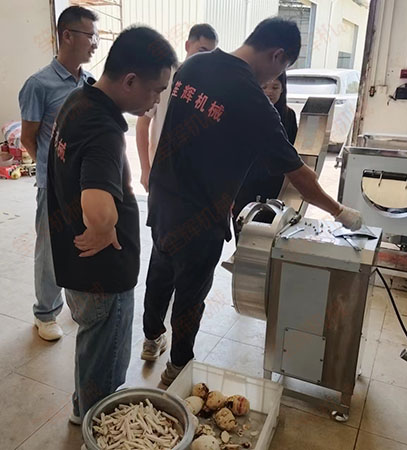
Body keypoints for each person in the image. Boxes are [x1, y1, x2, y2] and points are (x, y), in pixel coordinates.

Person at [142, 17, 363, 385]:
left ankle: (151, 338)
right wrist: (340, 211)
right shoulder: (252, 98)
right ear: (278, 55)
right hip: (201, 215)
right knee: (191, 294)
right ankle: (178, 367)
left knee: (160, 270)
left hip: (163, 199)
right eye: (283, 66)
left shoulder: (194, 66)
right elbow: (299, 175)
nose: (275, 78)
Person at [47, 26, 177, 423]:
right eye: (156, 90)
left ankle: (80, 409)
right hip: (102, 275)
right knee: (106, 365)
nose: (156, 101)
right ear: (130, 80)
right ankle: (94, 424)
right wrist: (105, 227)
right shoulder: (104, 129)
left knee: (92, 347)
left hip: (75, 265)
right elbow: (98, 209)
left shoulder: (77, 99)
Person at [19, 6, 98, 341]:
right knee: (51, 250)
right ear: (67, 35)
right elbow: (28, 137)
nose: (95, 43)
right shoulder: (39, 85)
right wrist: (51, 171)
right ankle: (45, 313)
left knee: (82, 244)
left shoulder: (90, 82)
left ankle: (75, 303)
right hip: (53, 185)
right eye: (90, 36)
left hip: (86, 184)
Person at [136, 24, 218, 193]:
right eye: (201, 51)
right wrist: (145, 169)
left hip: (194, 176)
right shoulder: (164, 76)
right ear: (187, 45)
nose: (205, 59)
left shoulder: (210, 86)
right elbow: (142, 124)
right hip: (162, 172)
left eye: (211, 54)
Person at [232, 72, 298, 237]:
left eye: (275, 87)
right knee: (244, 226)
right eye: (264, 87)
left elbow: (292, 150)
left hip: (274, 181)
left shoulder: (288, 115)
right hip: (246, 182)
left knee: (270, 228)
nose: (270, 92)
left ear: (283, 89)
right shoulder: (245, 112)